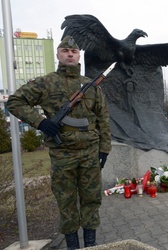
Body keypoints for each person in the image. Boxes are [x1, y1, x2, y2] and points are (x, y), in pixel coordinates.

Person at [6, 36, 111, 250]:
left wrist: (105, 149)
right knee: (66, 202)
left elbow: (103, 119)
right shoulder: (46, 83)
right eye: (65, 50)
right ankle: (72, 245)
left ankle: (91, 244)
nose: (70, 54)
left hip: (90, 152)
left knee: (92, 199)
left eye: (74, 51)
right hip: (63, 155)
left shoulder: (90, 85)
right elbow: (15, 102)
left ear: (79, 55)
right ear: (58, 55)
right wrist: (41, 122)